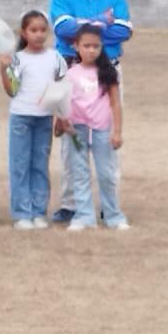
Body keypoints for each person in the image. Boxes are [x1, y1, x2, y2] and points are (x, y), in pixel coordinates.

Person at [49, 0, 133, 223]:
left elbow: (124, 31)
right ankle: (72, 204)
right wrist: (101, 22)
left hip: (107, 70)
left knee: (108, 139)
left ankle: (109, 207)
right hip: (72, 67)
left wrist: (85, 28)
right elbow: (63, 29)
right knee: (72, 141)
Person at [58, 23, 126, 231]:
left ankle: (113, 214)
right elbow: (61, 101)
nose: (91, 50)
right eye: (86, 46)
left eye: (96, 46)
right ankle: (84, 215)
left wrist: (117, 132)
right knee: (79, 172)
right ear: (76, 46)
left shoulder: (108, 72)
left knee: (106, 173)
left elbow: (115, 103)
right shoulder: (70, 74)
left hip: (101, 130)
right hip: (77, 130)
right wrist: (61, 122)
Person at [0, 9, 65, 228]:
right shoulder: (18, 59)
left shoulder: (54, 57)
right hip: (22, 117)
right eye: (33, 30)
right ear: (24, 33)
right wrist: (3, 69)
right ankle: (22, 212)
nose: (38, 35)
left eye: (42, 30)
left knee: (40, 164)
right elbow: (12, 90)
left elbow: (61, 86)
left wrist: (62, 116)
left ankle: (39, 211)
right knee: (20, 164)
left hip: (44, 118)